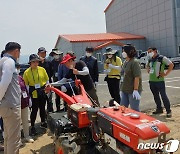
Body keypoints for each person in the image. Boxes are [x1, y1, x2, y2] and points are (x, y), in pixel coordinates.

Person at [0, 42, 21, 154]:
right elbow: (4, 83)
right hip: (11, 105)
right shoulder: (9, 62)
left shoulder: (2, 61)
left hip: (5, 105)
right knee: (14, 138)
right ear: (16, 51)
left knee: (8, 136)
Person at [23, 54, 49, 136]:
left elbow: (47, 80)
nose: (35, 63)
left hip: (42, 91)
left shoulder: (42, 69)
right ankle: (33, 126)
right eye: (33, 62)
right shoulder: (26, 72)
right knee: (34, 110)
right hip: (33, 93)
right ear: (30, 63)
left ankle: (43, 122)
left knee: (42, 108)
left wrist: (48, 89)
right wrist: (28, 97)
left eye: (37, 61)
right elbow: (26, 85)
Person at [146, 47, 174, 117]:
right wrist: (148, 68)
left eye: (150, 51)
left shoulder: (161, 58)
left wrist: (166, 73)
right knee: (156, 96)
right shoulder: (150, 59)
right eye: (148, 52)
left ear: (155, 51)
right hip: (152, 81)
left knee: (163, 96)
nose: (149, 53)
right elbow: (147, 66)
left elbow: (171, 65)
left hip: (159, 81)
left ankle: (168, 111)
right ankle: (159, 109)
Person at [120, 45, 142, 112]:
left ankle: (137, 122)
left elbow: (137, 77)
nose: (123, 53)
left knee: (134, 109)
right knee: (123, 108)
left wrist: (135, 90)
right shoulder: (125, 62)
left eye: (124, 51)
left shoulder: (135, 62)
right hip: (124, 89)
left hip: (132, 90)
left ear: (129, 52)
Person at [16, 65, 34, 143]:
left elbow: (25, 89)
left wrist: (28, 99)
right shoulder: (8, 78)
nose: (17, 70)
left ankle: (27, 136)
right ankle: (18, 139)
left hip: (24, 102)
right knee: (17, 122)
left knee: (25, 120)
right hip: (15, 104)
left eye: (18, 68)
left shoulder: (20, 77)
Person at [38, 47, 53, 112]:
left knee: (49, 100)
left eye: (44, 53)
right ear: (38, 53)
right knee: (41, 101)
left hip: (48, 83)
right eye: (42, 53)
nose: (43, 54)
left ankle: (50, 112)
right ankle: (43, 116)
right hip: (40, 85)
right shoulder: (36, 63)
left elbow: (51, 72)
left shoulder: (49, 62)